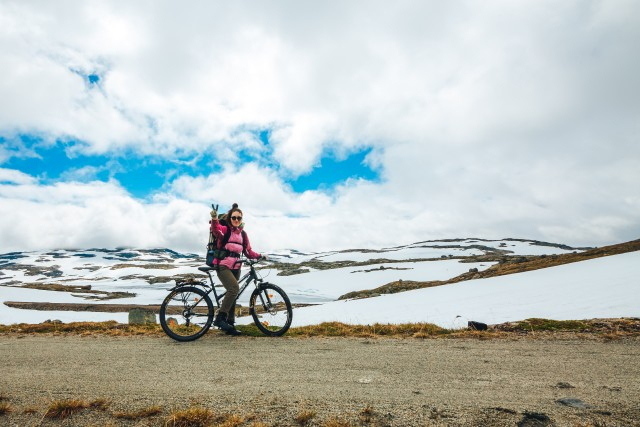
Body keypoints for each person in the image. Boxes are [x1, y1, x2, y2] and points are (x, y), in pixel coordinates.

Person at [209, 203, 263, 336]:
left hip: (236, 267)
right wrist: (215, 219)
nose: (236, 220)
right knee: (234, 289)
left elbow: (248, 251)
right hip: (223, 265)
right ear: (229, 218)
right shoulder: (225, 230)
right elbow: (216, 231)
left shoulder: (243, 235)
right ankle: (220, 319)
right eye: (234, 218)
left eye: (239, 218)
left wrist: (260, 256)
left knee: (233, 294)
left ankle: (230, 324)